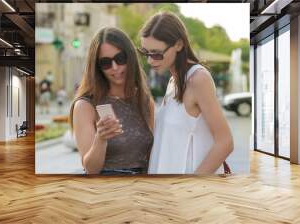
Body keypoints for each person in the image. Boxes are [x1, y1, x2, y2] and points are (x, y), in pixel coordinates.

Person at [139, 12, 233, 174]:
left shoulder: (198, 79)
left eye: (156, 53)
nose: (150, 60)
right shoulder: (173, 81)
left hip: (188, 192)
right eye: (145, 53)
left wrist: (191, 186)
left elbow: (225, 142)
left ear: (179, 45)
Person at [70, 27, 155, 175]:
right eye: (106, 63)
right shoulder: (85, 105)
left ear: (130, 57)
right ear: (97, 67)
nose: (115, 68)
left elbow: (152, 155)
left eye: (120, 59)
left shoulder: (144, 101)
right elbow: (91, 170)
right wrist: (100, 139)